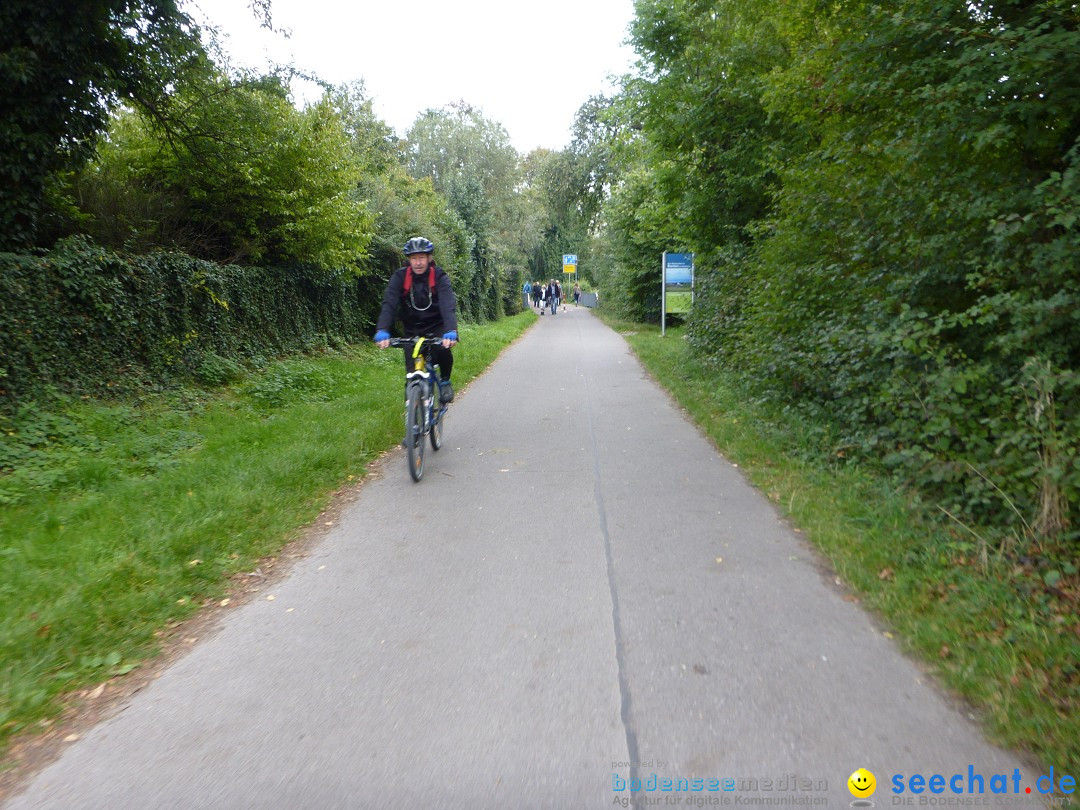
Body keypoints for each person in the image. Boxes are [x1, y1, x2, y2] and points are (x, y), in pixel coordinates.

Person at [374, 237, 458, 403]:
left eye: (421, 258)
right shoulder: (400, 277)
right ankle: (413, 412)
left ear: (429, 258)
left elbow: (447, 303)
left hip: (437, 326)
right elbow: (389, 302)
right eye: (413, 258)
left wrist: (451, 331)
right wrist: (382, 329)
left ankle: (446, 380)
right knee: (411, 370)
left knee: (442, 350)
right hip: (411, 328)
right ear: (409, 260)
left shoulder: (438, 276)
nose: (418, 263)